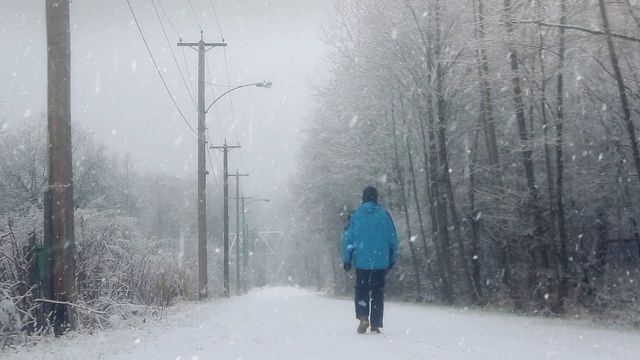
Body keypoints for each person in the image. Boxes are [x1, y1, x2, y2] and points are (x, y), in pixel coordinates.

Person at [342, 186, 398, 334]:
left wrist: (347, 259)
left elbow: (348, 238)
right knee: (377, 293)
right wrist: (392, 258)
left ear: (363, 198)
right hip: (380, 261)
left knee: (362, 291)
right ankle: (375, 324)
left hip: (361, 261)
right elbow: (393, 239)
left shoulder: (355, 215)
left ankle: (363, 317)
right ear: (376, 198)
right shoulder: (384, 215)